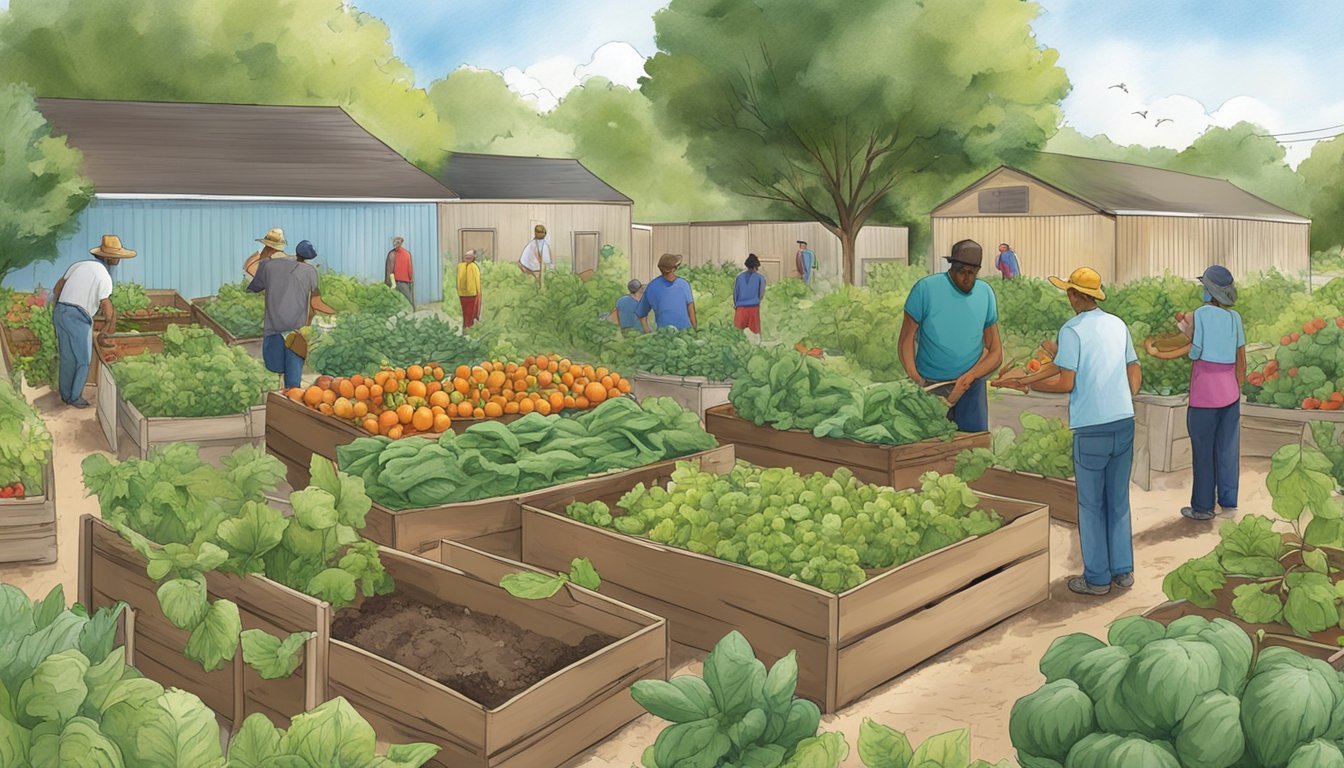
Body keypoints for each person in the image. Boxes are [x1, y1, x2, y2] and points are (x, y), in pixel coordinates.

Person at [1014, 266, 1141, 596]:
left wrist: (1034, 386)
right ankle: (1123, 571)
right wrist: (1126, 396)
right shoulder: (1117, 324)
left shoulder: (1071, 330)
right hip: (1123, 421)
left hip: (1091, 428)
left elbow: (1066, 381)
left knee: (1090, 505)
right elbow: (1133, 367)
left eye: (1069, 292)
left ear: (1074, 295)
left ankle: (1097, 578)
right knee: (1117, 501)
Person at [1144, 265, 1245, 521]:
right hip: (1230, 395)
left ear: (1207, 290)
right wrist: (1237, 386)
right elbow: (1240, 358)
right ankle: (1229, 500)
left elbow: (1195, 351)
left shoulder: (1199, 314)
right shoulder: (1235, 319)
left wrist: (1161, 351)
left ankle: (1202, 507)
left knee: (1203, 452)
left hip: (1204, 397)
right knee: (1227, 449)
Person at [898, 239, 1003, 432]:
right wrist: (915, 378)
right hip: (930, 385)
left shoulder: (985, 293)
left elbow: (995, 351)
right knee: (931, 447)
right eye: (962, 272)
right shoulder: (926, 289)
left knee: (972, 448)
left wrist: (971, 376)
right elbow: (906, 338)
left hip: (970, 388)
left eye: (972, 273)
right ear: (952, 267)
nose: (967, 279)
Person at [52, 234, 134, 407]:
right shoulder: (105, 277)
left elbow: (57, 287)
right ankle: (75, 398)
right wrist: (107, 324)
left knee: (67, 358)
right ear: (109, 259)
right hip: (79, 317)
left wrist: (60, 306)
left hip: (61, 311)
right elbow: (106, 305)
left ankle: (65, 395)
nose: (118, 261)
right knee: (83, 360)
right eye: (116, 258)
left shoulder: (79, 265)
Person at [247, 239, 336, 389]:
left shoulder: (267, 266)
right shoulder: (311, 271)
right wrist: (338, 312)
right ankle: (291, 406)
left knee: (274, 372)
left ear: (268, 248)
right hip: (296, 334)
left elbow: (254, 288)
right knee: (293, 385)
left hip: (273, 330)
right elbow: (316, 303)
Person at [637, 253, 697, 332]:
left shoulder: (652, 286)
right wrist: (695, 330)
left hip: (666, 335)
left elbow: (641, 314)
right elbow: (691, 309)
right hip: (681, 334)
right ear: (674, 269)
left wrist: (648, 333)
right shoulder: (684, 284)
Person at [733, 254, 766, 334]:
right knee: (754, 334)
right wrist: (757, 300)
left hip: (740, 308)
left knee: (737, 334)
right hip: (753, 307)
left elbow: (735, 293)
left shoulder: (739, 277)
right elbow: (761, 294)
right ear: (755, 266)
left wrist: (736, 304)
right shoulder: (760, 278)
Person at [385, 236, 415, 309]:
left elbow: (389, 270)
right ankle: (412, 311)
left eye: (397, 242)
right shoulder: (406, 253)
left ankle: (412, 311)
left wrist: (389, 283)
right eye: (394, 242)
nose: (395, 244)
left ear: (401, 243)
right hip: (402, 281)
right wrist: (411, 279)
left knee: (407, 299)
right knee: (408, 298)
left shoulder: (393, 254)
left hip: (399, 281)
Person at [456, 249, 482, 329]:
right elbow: (458, 279)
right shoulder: (460, 266)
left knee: (470, 313)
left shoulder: (474, 267)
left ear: (473, 257)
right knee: (465, 312)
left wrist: (478, 293)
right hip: (463, 294)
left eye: (469, 256)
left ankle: (468, 328)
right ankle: (466, 327)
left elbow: (477, 281)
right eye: (466, 256)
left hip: (472, 294)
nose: (467, 257)